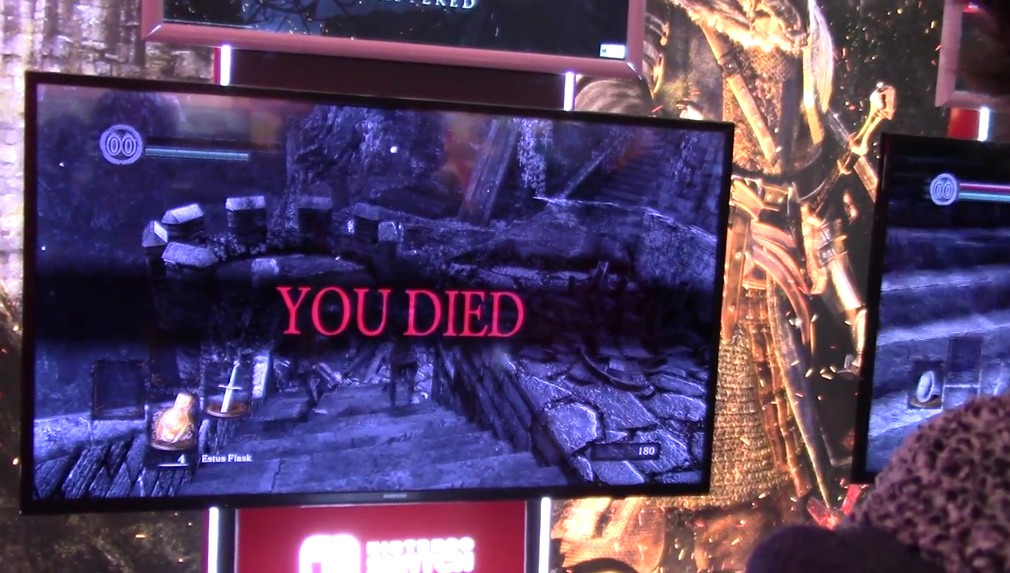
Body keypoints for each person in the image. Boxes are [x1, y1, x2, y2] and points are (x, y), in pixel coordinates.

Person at [388, 337, 417, 407]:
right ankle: (408, 400)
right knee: (409, 381)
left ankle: (395, 403)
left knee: (394, 382)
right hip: (403, 358)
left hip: (403, 358)